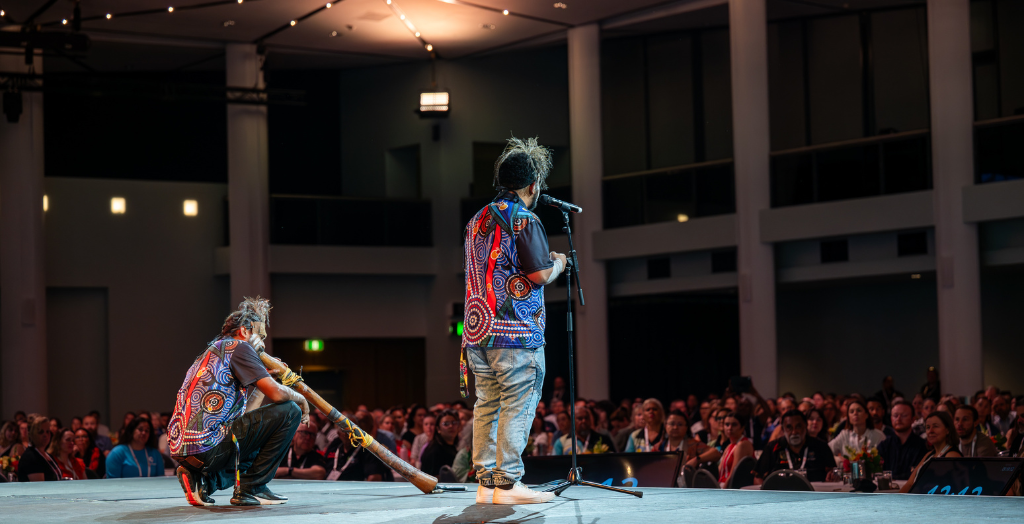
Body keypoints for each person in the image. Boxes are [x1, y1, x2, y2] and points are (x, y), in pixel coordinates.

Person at [463, 137, 565, 506]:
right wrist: (560, 263)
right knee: (518, 403)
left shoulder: (478, 219)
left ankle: (487, 482)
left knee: (487, 404)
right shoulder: (523, 217)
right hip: (516, 334)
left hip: (479, 331)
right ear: (533, 184)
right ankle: (508, 484)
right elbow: (538, 274)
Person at [169, 297, 308, 507]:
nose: (262, 343)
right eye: (259, 336)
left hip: (186, 447)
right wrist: (302, 399)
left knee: (256, 434)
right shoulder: (240, 347)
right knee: (290, 411)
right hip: (209, 445)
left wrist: (265, 379)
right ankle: (253, 487)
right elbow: (279, 397)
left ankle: (203, 481)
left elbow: (245, 421)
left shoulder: (210, 353)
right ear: (244, 331)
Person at [753, 410, 835, 483]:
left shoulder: (821, 446)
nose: (794, 432)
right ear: (783, 429)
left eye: (798, 426)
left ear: (805, 426)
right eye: (789, 427)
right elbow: (757, 477)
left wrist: (832, 476)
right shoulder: (772, 448)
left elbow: (833, 472)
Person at [900, 411, 962, 493]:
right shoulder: (929, 455)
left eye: (935, 426)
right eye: (928, 427)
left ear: (948, 430)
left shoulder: (952, 455)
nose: (931, 431)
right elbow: (910, 484)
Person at [876, 401, 927, 480]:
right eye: (895, 415)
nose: (898, 419)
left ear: (913, 419)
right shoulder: (884, 445)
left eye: (904, 415)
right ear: (891, 418)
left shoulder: (922, 445)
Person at [17, 417, 62, 482]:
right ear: (33, 434)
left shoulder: (48, 455)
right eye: (41, 432)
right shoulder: (30, 457)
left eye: (47, 431)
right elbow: (40, 488)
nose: (45, 435)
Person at [717, 412, 754, 488]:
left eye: (734, 425)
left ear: (742, 428)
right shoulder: (729, 446)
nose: (730, 428)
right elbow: (719, 471)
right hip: (721, 484)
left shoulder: (743, 444)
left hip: (732, 488)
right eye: (727, 424)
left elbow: (733, 474)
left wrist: (722, 492)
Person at [420, 410, 460, 477]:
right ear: (438, 429)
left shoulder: (452, 447)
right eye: (446, 424)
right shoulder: (434, 450)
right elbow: (432, 479)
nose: (451, 426)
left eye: (454, 423)